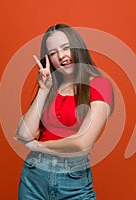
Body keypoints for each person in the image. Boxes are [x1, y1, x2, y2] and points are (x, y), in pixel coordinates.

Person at [14, 24, 114, 200]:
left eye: (66, 48)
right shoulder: (51, 86)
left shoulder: (99, 85)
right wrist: (43, 90)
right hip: (34, 177)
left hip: (72, 181)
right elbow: (24, 133)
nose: (61, 56)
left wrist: (38, 146)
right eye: (53, 52)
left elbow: (83, 143)